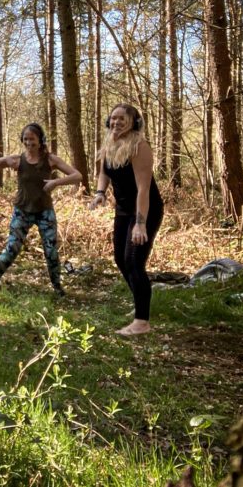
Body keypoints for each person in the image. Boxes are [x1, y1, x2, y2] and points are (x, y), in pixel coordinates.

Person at [90, 103, 164, 336]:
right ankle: (140, 306)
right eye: (113, 118)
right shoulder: (110, 144)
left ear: (134, 122)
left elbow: (143, 189)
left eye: (123, 119)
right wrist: (100, 193)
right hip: (122, 211)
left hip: (145, 210)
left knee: (133, 261)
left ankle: (142, 321)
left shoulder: (139, 147)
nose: (117, 122)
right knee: (120, 260)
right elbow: (104, 172)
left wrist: (141, 224)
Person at [0, 123, 81, 296]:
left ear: (41, 140)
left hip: (45, 212)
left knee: (51, 251)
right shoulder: (18, 159)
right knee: (12, 249)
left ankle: (57, 287)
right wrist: (6, 160)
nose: (28, 143)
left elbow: (77, 176)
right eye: (25, 139)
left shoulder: (50, 159)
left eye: (32, 139)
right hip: (22, 211)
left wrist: (56, 182)